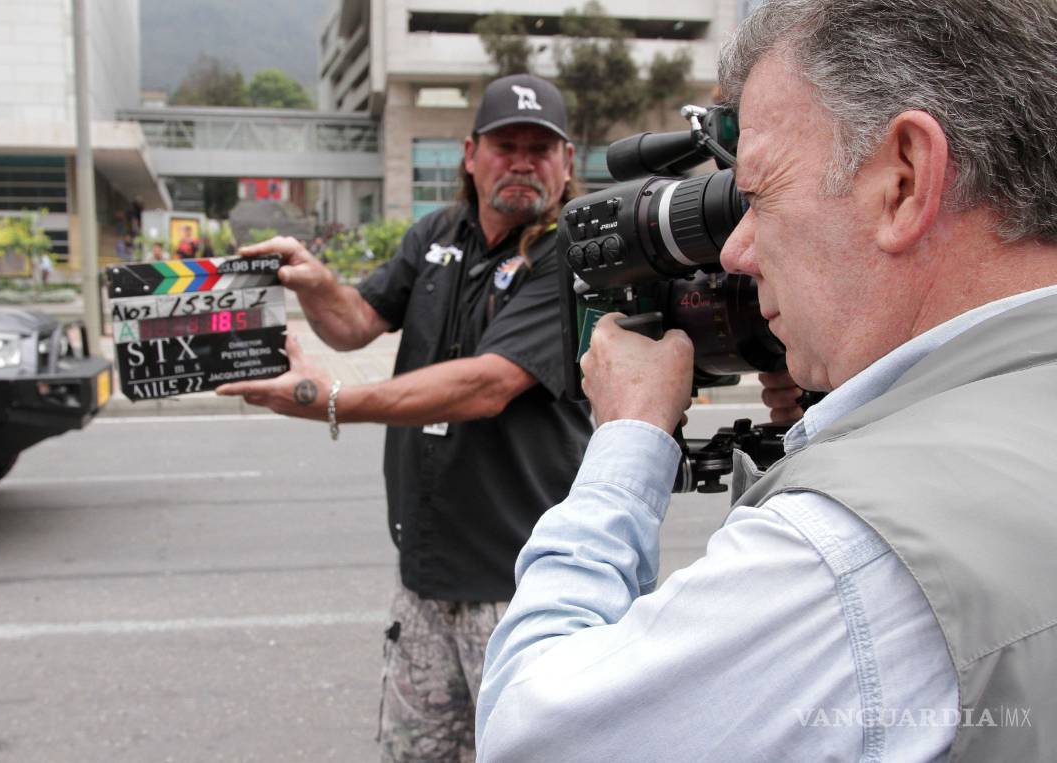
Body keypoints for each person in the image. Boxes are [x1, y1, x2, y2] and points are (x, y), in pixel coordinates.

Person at [476, 2, 1057, 761]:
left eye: (757, 195)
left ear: (905, 180)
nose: (738, 253)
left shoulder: (842, 561)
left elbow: (530, 733)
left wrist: (629, 434)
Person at [216, 74, 594, 761]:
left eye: (542, 149)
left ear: (568, 163)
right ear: (471, 153)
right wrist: (317, 280)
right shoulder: (436, 233)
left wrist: (330, 400)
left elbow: (487, 384)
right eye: (506, 144)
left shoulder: (572, 254)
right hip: (424, 578)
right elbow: (358, 323)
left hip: (522, 590)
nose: (522, 162)